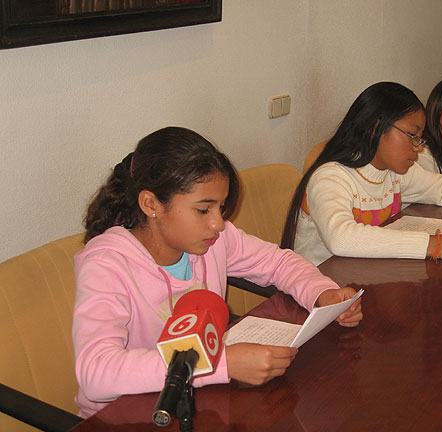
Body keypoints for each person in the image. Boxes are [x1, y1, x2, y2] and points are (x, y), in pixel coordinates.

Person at [73, 126, 362, 418]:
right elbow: (96, 374)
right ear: (151, 204)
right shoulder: (107, 264)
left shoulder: (212, 240)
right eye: (203, 210)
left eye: (221, 207)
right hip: (125, 417)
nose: (218, 223)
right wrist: (220, 364)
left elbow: (277, 262)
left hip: (201, 402)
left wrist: (321, 291)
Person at [280, 82, 442, 267]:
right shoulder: (331, 178)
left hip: (363, 276)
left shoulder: (393, 172)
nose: (418, 147)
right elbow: (341, 238)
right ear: (377, 128)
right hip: (318, 292)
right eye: (412, 135)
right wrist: (435, 245)